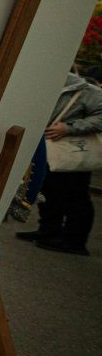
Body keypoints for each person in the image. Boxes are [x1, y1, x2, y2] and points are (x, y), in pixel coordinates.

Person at [16, 71, 102, 255]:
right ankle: (48, 231)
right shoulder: (55, 84)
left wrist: (70, 128)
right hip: (52, 149)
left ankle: (75, 241)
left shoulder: (86, 90)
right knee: (49, 190)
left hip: (71, 151)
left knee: (75, 196)